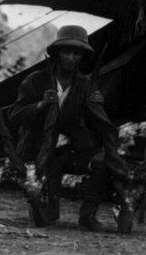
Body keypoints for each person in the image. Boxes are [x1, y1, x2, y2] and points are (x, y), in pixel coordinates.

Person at [8, 25, 125, 232]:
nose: (71, 58)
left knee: (101, 162)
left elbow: (96, 124)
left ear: (82, 57)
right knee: (47, 217)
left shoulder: (85, 86)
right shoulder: (36, 80)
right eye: (66, 52)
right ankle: (43, 204)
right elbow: (15, 116)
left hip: (69, 150)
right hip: (37, 151)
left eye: (76, 53)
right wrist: (40, 106)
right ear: (57, 53)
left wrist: (97, 105)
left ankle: (88, 216)